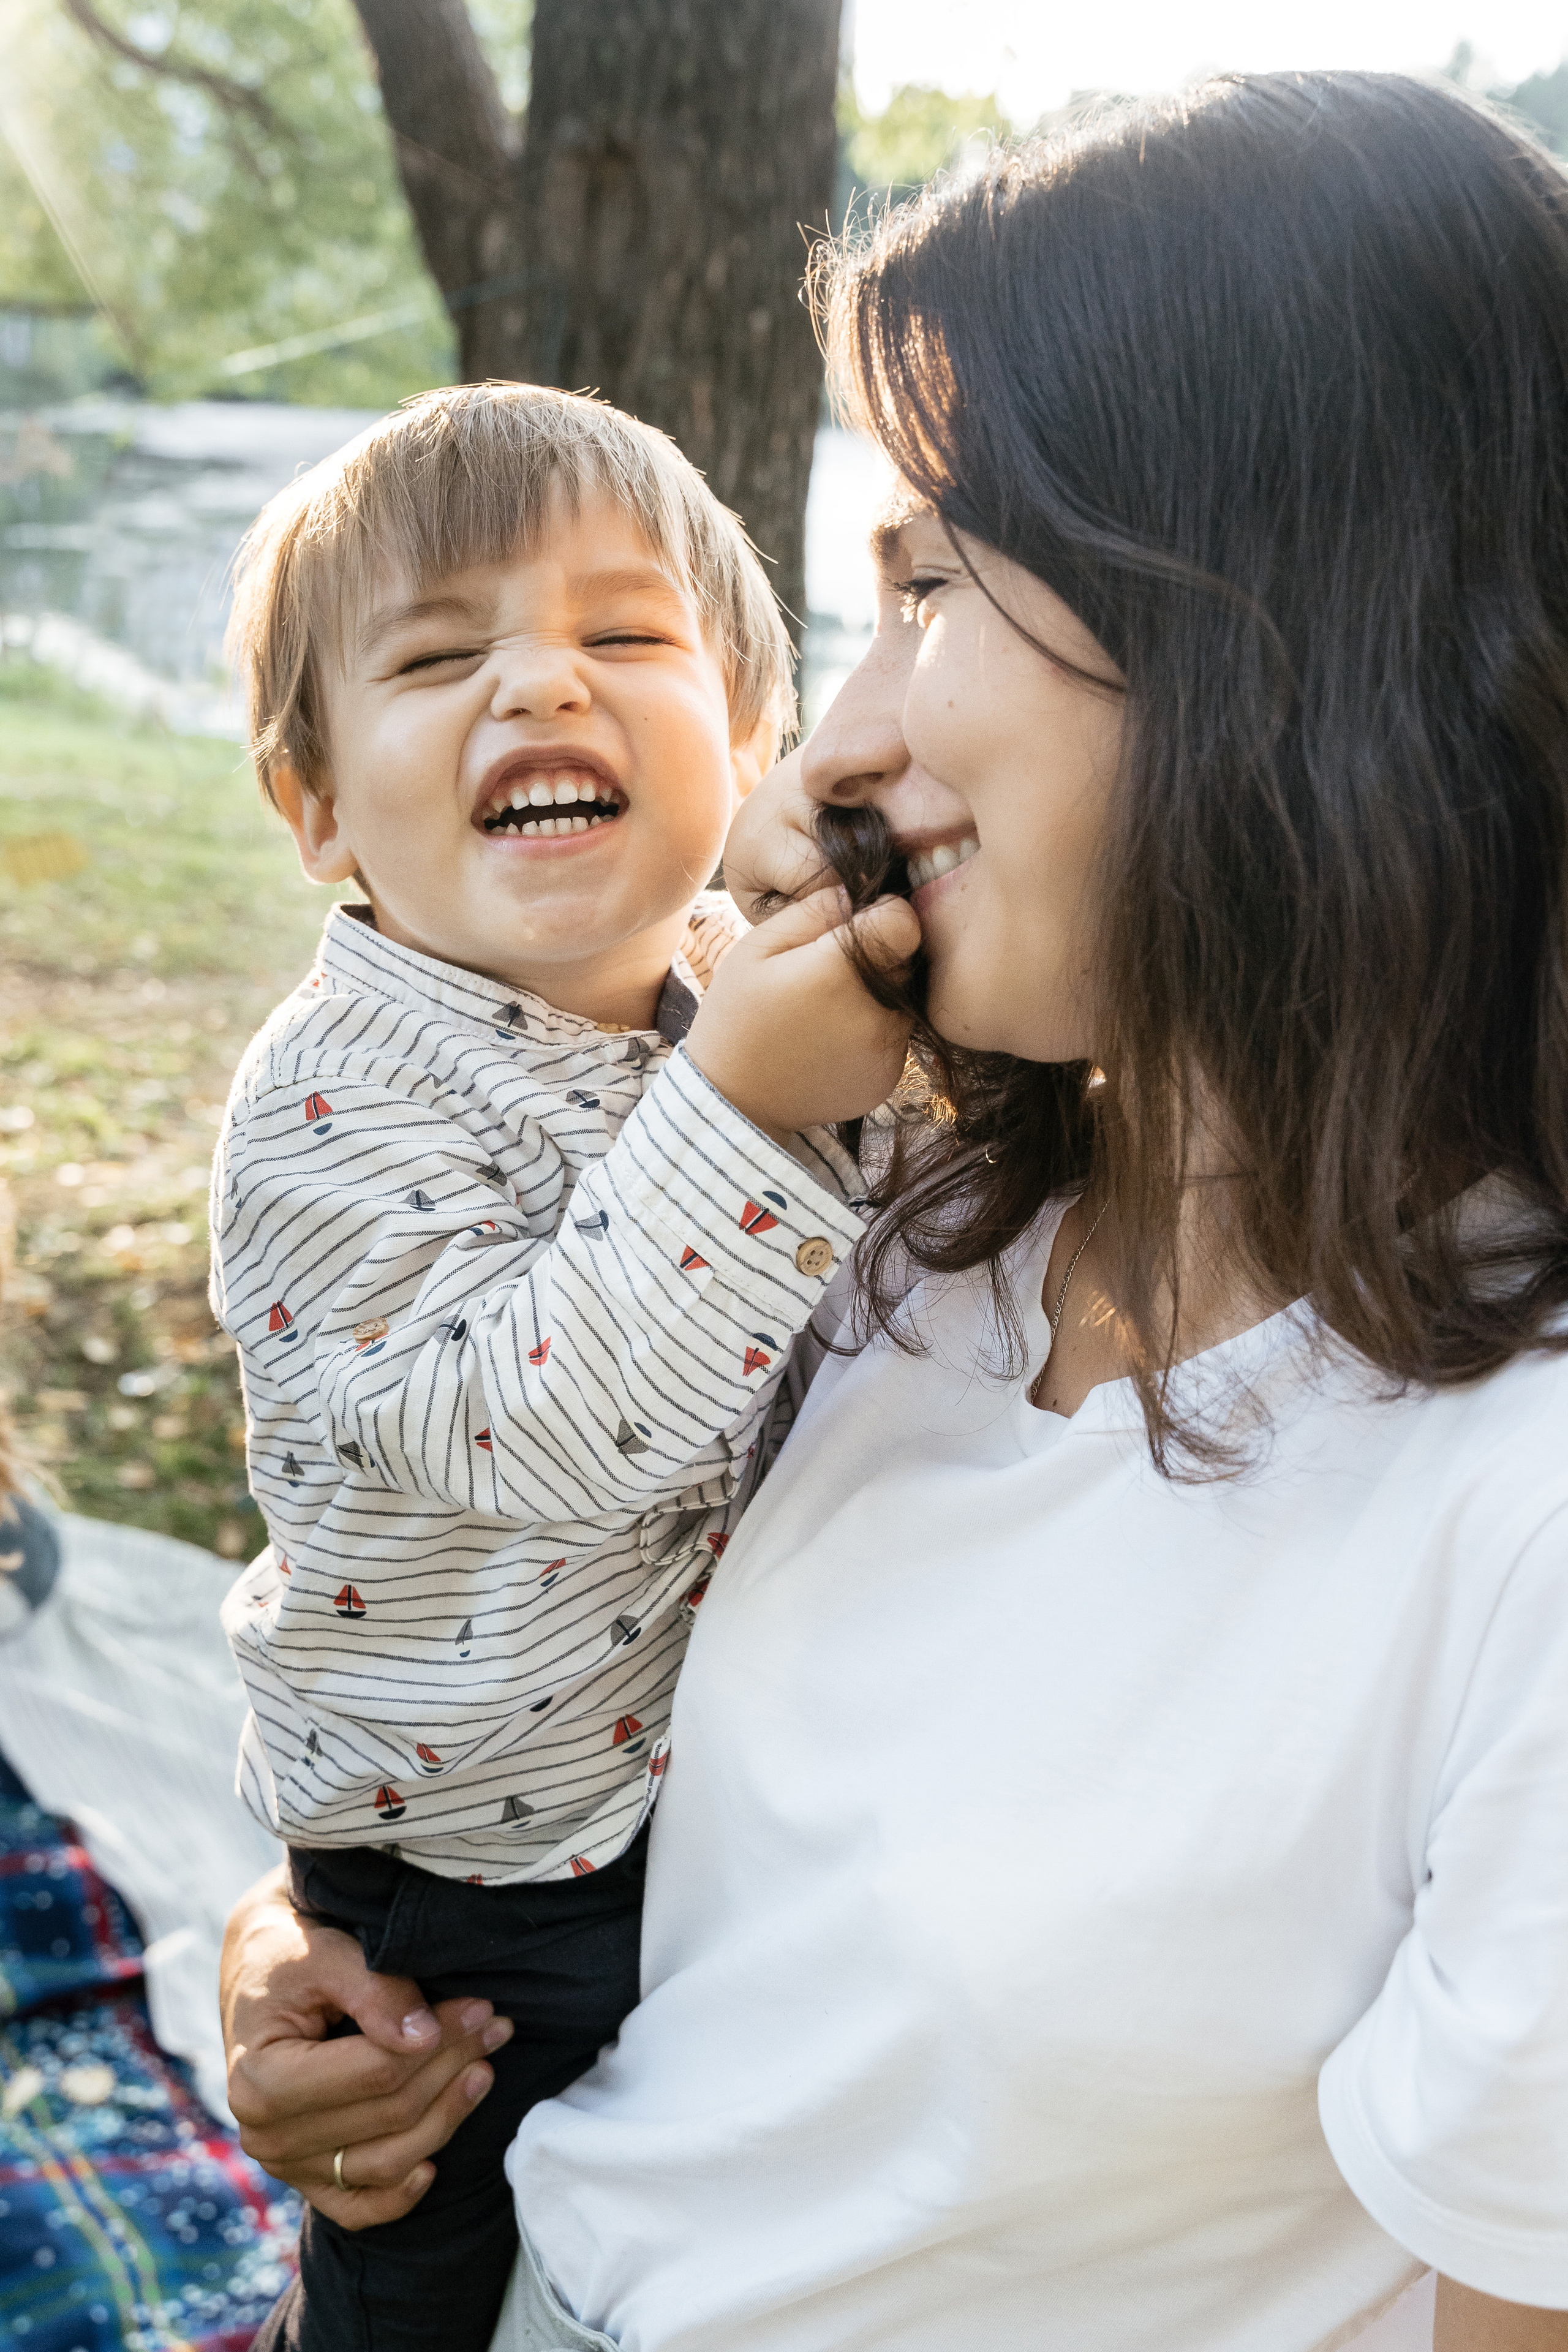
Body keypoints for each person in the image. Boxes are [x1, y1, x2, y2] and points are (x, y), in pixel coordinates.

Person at [219, 72, 1568, 2352]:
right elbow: (522, 1600)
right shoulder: (899, 1213)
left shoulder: (1509, 1498)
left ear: (1297, 627)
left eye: (930, 583)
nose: (824, 752)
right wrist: (340, 1954)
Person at [211, 382, 916, 2350]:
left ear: (750, 738)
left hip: (661, 1810)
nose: (543, 683)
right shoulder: (339, 1092)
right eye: (440, 657)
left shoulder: (727, 986)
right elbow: (538, 1423)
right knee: (419, 2243)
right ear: (323, 810)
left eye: (626, 637)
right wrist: (746, 1107)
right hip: (468, 1873)